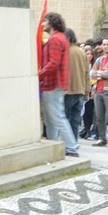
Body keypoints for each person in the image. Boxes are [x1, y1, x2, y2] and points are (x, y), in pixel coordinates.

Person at [38, 13, 79, 157]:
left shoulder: (55, 39)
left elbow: (53, 63)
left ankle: (71, 148)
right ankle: (53, 145)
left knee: (57, 117)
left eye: (45, 21)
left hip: (53, 84)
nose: (42, 24)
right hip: (57, 83)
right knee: (51, 119)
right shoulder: (61, 38)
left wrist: (39, 75)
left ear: (52, 23)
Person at [64, 28, 90, 146]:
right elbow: (87, 74)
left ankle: (67, 144)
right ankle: (73, 144)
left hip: (68, 91)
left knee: (64, 120)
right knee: (75, 121)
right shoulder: (81, 52)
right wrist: (86, 92)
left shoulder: (66, 52)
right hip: (80, 91)